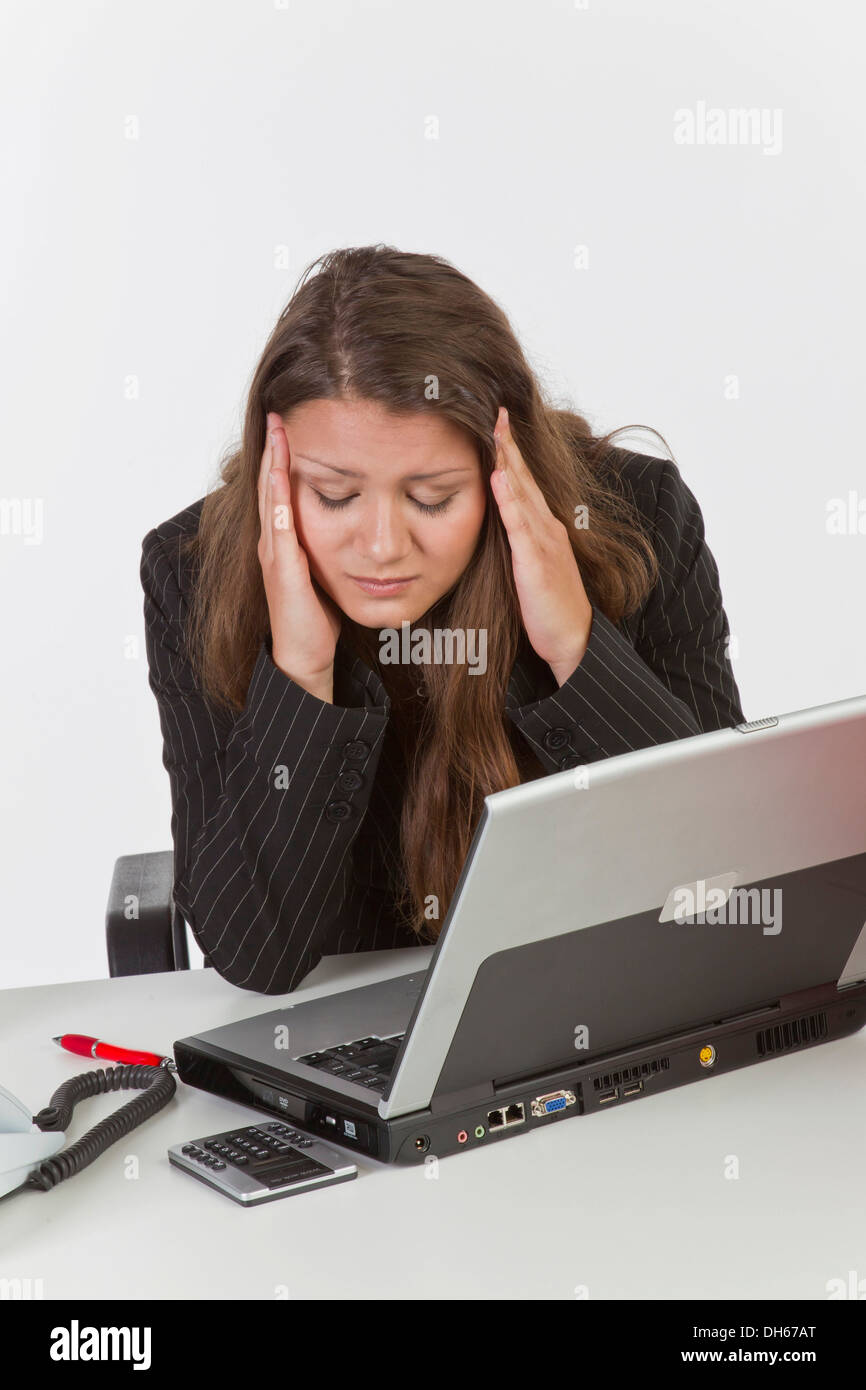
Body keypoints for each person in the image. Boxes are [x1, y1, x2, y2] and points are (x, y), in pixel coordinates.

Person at [140, 244, 746, 995]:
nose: (384, 547)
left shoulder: (641, 519)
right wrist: (299, 675)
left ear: (502, 470)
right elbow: (255, 957)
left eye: (431, 498)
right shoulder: (190, 572)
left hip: (599, 998)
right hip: (352, 1024)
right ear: (277, 469)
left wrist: (578, 650)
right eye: (334, 496)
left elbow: (724, 880)